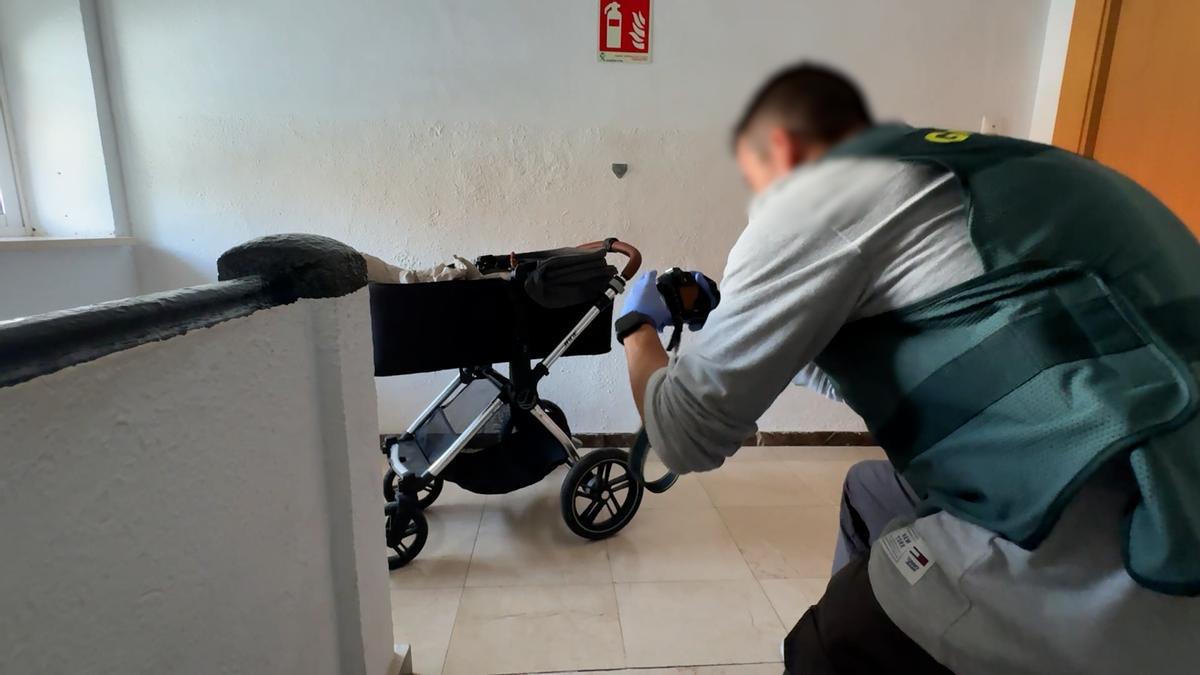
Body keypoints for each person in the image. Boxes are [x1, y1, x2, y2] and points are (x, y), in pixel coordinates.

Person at [614, 63, 1200, 674]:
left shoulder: (815, 202)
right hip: (1163, 469)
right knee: (869, 491)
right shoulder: (992, 166)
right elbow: (927, 357)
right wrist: (748, 331)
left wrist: (636, 328)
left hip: (1124, 547)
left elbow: (682, 436)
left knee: (828, 644)